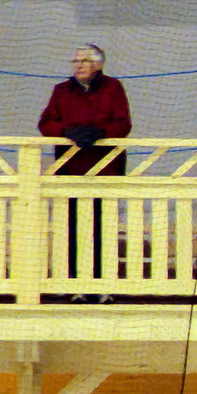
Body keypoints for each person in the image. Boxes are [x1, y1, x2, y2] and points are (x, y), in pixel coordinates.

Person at [38, 44, 132, 282]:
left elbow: (123, 124)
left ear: (98, 64)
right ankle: (75, 282)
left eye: (84, 61)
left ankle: (103, 282)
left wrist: (99, 133)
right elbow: (46, 123)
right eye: (75, 61)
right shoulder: (61, 90)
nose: (78, 65)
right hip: (70, 170)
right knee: (72, 227)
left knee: (103, 227)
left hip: (105, 171)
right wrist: (67, 131)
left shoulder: (113, 88)